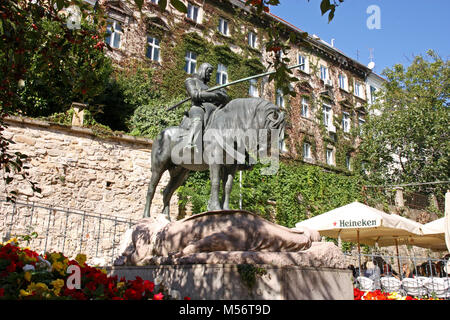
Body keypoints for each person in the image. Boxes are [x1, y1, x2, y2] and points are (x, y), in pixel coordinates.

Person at [184, 62, 230, 150]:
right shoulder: (190, 80)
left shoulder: (209, 88)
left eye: (211, 72)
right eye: (209, 71)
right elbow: (194, 95)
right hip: (198, 107)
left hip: (212, 110)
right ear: (203, 70)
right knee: (198, 121)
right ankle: (190, 143)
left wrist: (222, 95)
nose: (210, 74)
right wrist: (215, 95)